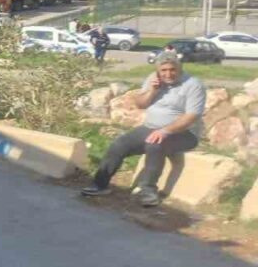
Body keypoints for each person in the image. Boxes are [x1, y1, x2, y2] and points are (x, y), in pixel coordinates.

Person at [82, 51, 205, 207]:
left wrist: (165, 131)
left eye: (172, 69)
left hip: (184, 133)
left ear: (179, 68)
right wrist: (153, 90)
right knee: (120, 144)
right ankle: (99, 185)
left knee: (155, 145)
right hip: (150, 127)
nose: (168, 74)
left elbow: (192, 116)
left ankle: (148, 191)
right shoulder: (153, 79)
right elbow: (140, 104)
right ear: (158, 70)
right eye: (164, 70)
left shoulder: (193, 84)